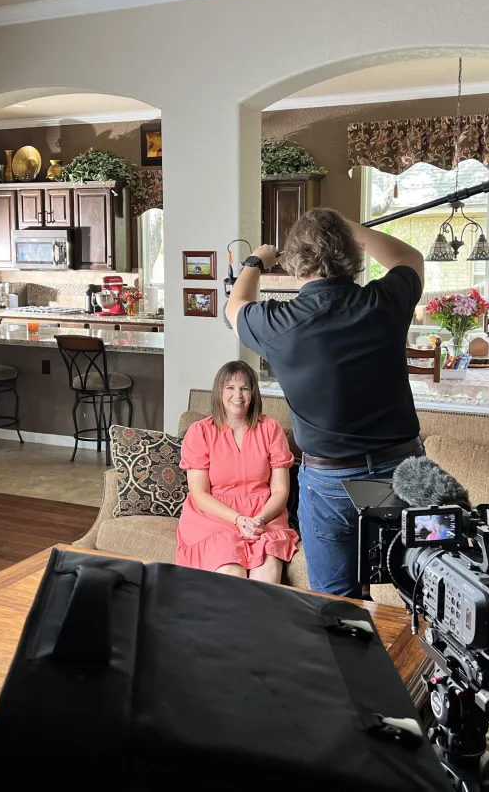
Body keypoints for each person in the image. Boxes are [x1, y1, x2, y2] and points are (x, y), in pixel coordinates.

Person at [225, 207, 425, 597]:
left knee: (335, 602)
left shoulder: (277, 323)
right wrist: (348, 226)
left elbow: (235, 305)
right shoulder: (383, 302)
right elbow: (409, 259)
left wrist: (256, 262)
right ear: (352, 255)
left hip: (330, 481)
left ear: (296, 265)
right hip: (401, 470)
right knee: (414, 593)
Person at [176, 360, 299, 583]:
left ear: (253, 393)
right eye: (230, 388)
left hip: (263, 515)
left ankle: (256, 618)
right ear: (219, 392)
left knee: (266, 579)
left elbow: (280, 491)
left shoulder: (271, 429)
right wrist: (238, 519)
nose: (238, 395)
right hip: (214, 516)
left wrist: (258, 520)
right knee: (232, 573)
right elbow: (199, 494)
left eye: (244, 388)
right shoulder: (200, 431)